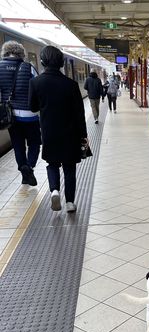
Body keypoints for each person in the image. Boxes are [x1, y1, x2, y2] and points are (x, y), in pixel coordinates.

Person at [29, 45, 87, 213]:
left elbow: (32, 107)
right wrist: (83, 135)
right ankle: (70, 202)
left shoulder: (35, 82)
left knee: (52, 164)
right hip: (70, 133)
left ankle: (55, 190)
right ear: (62, 63)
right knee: (69, 168)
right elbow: (79, 114)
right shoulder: (71, 84)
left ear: (42, 61)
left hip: (49, 131)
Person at [0, 41, 41, 186]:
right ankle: (29, 167)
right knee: (35, 142)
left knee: (18, 145)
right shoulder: (28, 67)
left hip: (10, 116)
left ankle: (24, 170)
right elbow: (38, 88)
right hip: (30, 115)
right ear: (21, 53)